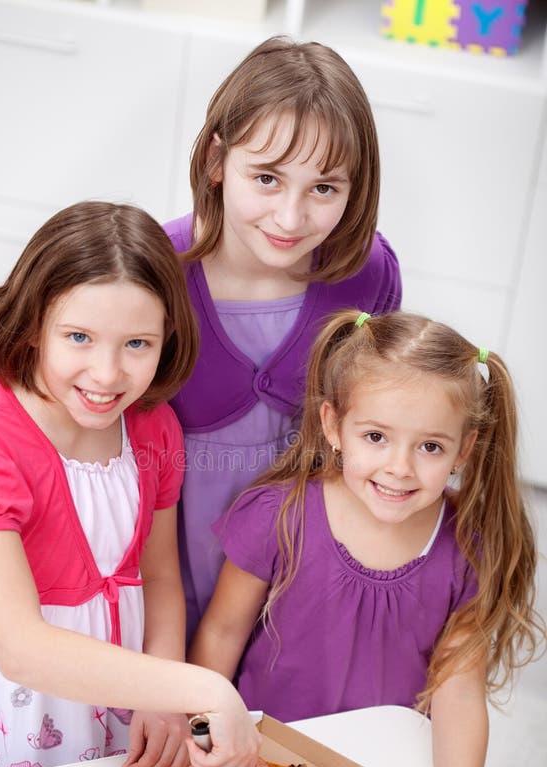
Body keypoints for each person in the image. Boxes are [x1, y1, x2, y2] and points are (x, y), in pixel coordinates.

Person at [189, 308, 545, 767]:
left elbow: (458, 683)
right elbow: (221, 635)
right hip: (263, 758)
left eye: (430, 447)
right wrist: (205, 732)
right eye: (376, 436)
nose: (400, 467)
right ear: (334, 426)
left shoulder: (469, 546)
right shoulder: (278, 516)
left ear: (464, 450)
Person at [0, 201, 261, 767]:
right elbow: (21, 648)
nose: (108, 373)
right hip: (8, 709)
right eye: (79, 337)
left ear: (168, 337)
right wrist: (201, 687)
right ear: (32, 324)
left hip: (123, 694)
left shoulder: (151, 426)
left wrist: (161, 693)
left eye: (137, 344)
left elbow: (159, 575)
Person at [165, 36, 402, 643]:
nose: (291, 219)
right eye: (267, 178)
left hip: (299, 585)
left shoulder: (369, 274)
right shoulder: (157, 267)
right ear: (218, 161)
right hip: (167, 571)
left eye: (324, 188)